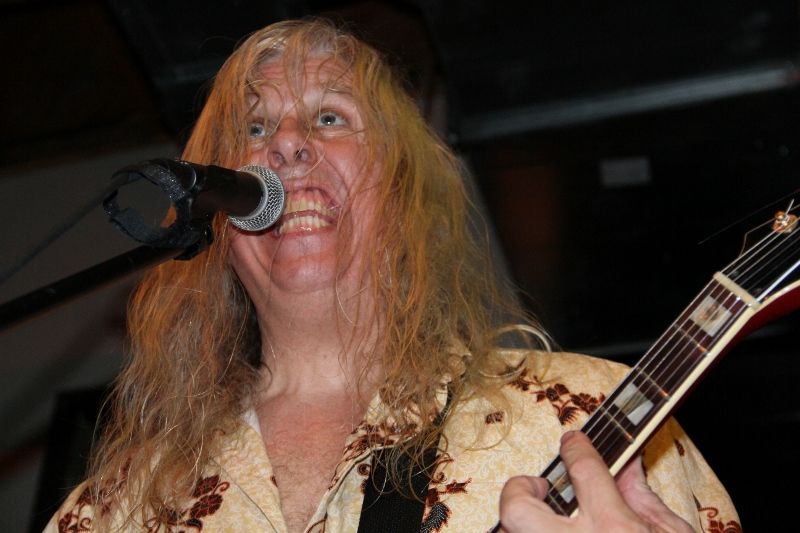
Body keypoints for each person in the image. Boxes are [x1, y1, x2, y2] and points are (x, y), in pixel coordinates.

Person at [46, 18, 739, 532]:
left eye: (328, 116)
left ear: (406, 193)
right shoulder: (111, 507)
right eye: (255, 130)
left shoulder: (593, 414)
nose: (286, 143)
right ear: (217, 220)